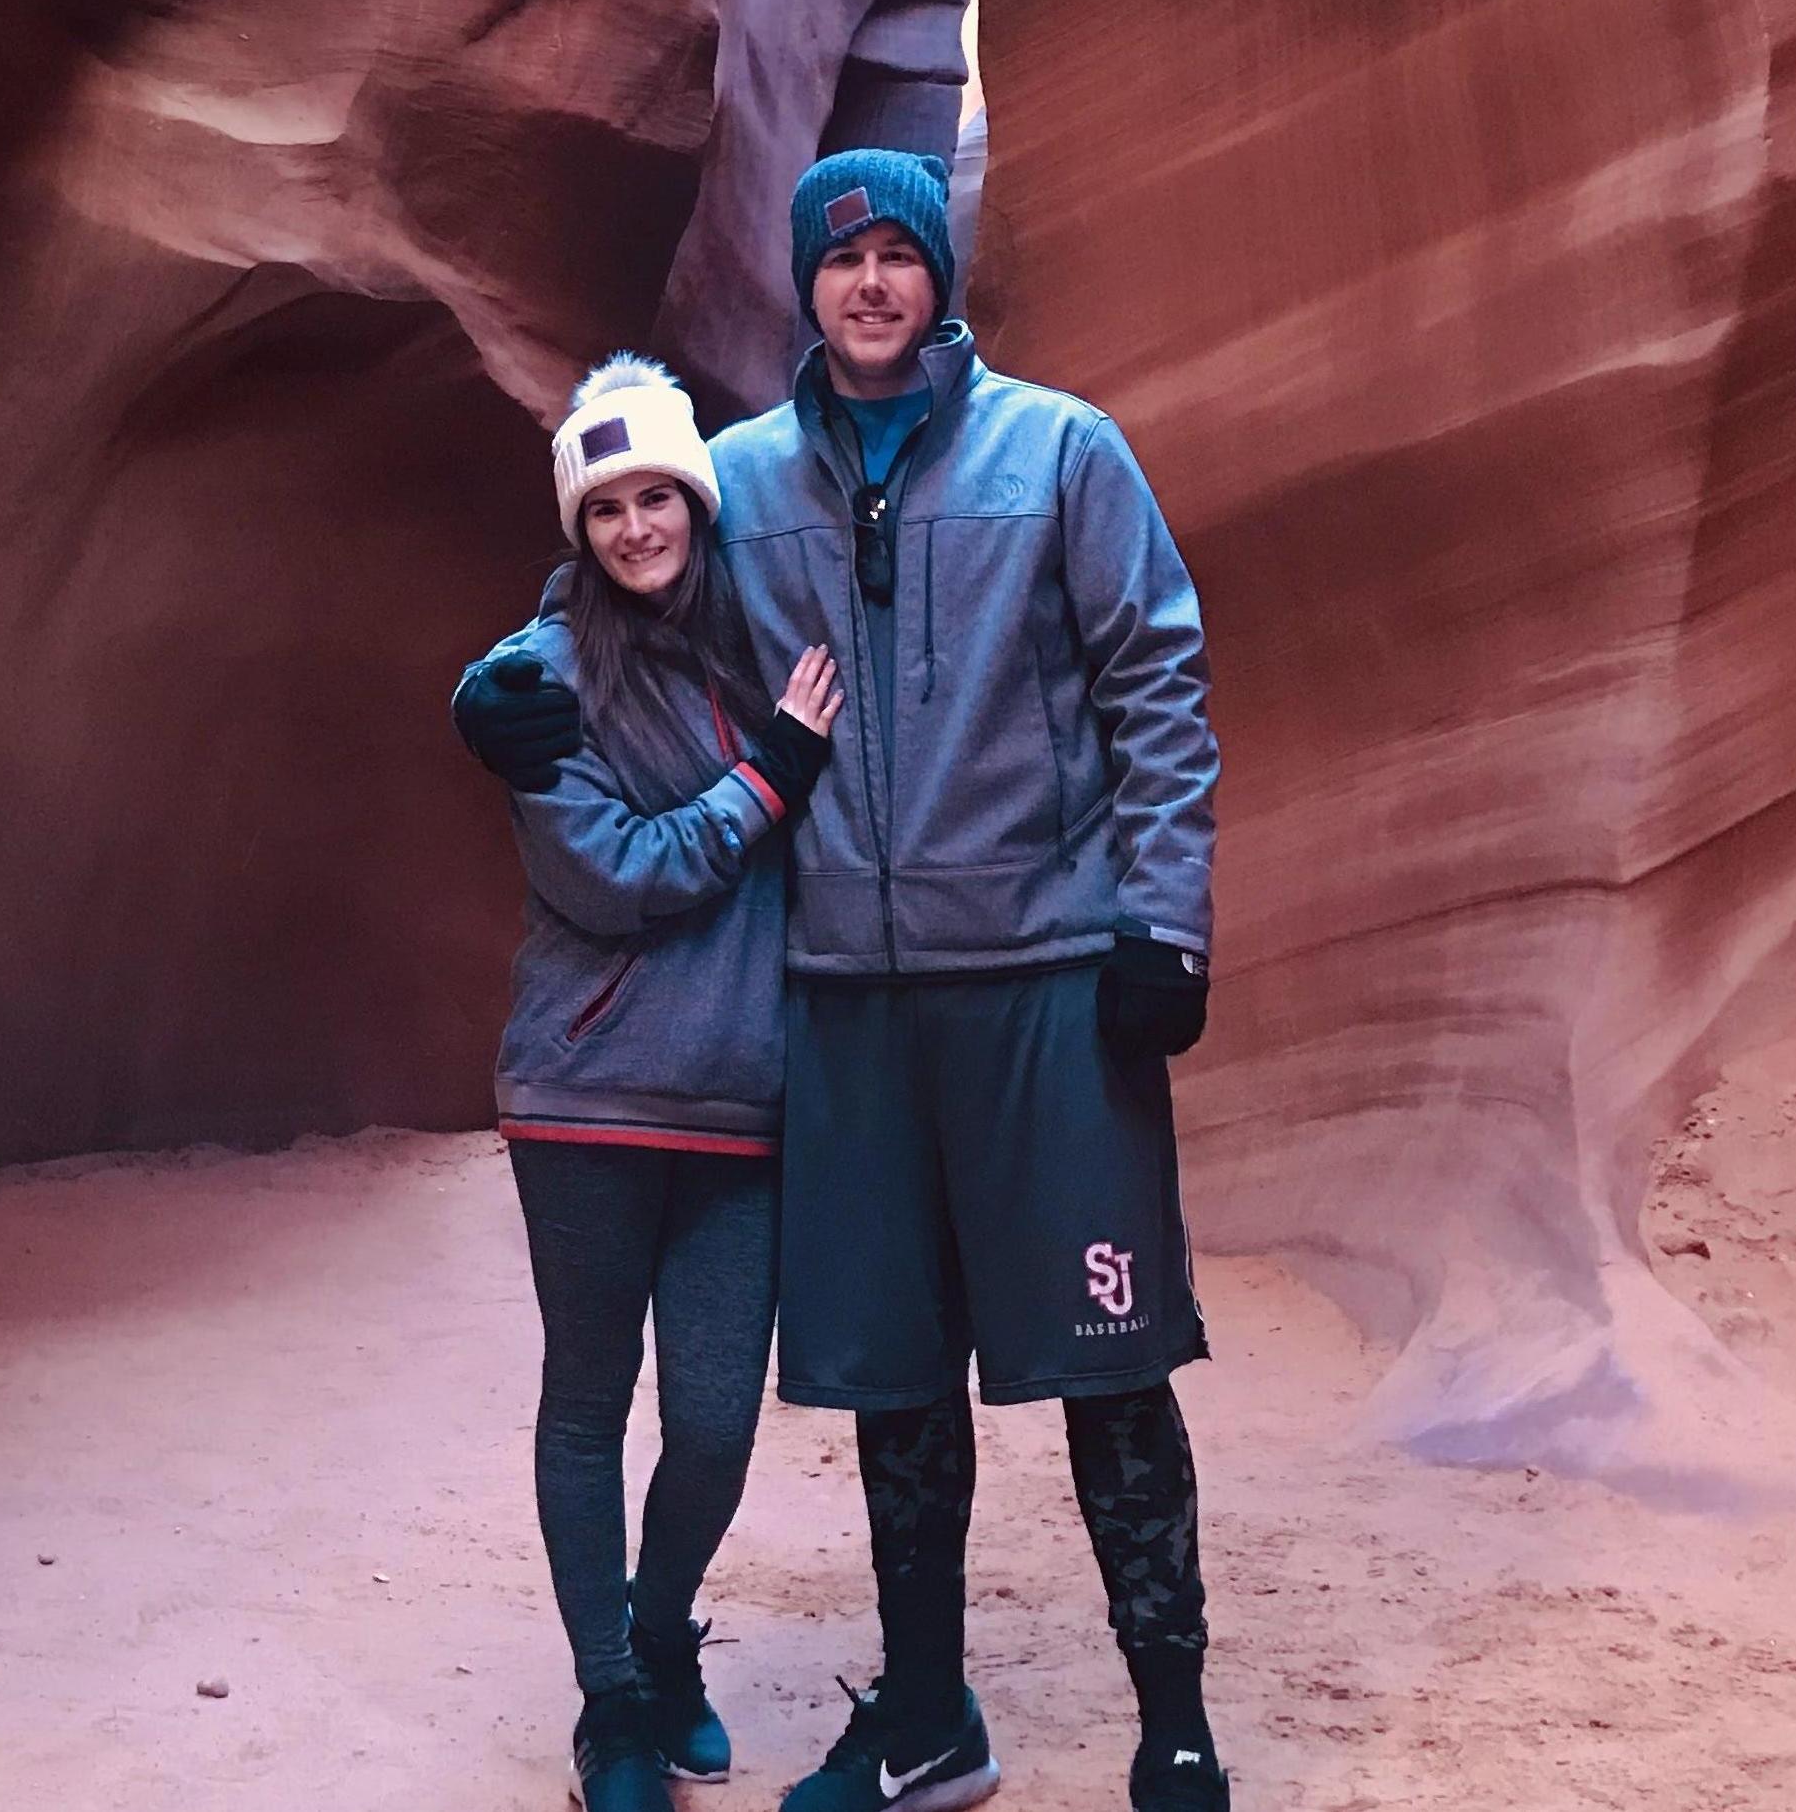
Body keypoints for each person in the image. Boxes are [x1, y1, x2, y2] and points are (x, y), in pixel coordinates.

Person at [456, 153, 1229, 1812]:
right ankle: (931, 1712)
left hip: (1041, 979)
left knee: (1109, 1354)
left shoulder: (1059, 450)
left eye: (898, 254)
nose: (870, 282)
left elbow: (1155, 672)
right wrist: (489, 685)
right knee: (893, 1374)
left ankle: (1173, 1720)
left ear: (937, 276)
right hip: (846, 1006)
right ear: (804, 285)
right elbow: (618, 569)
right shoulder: (739, 477)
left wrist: (1162, 921)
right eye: (841, 258)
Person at [483, 353, 846, 1812]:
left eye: (657, 496)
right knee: (587, 1401)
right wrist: (769, 777)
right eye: (606, 505)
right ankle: (611, 1709)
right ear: (577, 527)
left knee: (709, 1421)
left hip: (739, 1104)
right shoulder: (532, 679)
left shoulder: (753, 634)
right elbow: (620, 872)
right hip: (584, 1091)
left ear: (697, 499)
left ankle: (657, 1634)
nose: (636, 526)